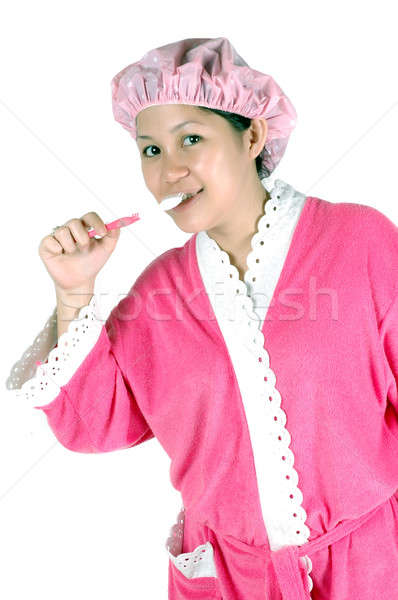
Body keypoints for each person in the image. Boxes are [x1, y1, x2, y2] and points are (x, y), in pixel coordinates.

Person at [6, 37, 398, 599]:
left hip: (371, 571)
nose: (171, 171)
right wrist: (74, 292)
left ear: (253, 135)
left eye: (192, 139)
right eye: (151, 151)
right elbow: (94, 424)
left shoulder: (361, 242)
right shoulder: (156, 294)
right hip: (226, 581)